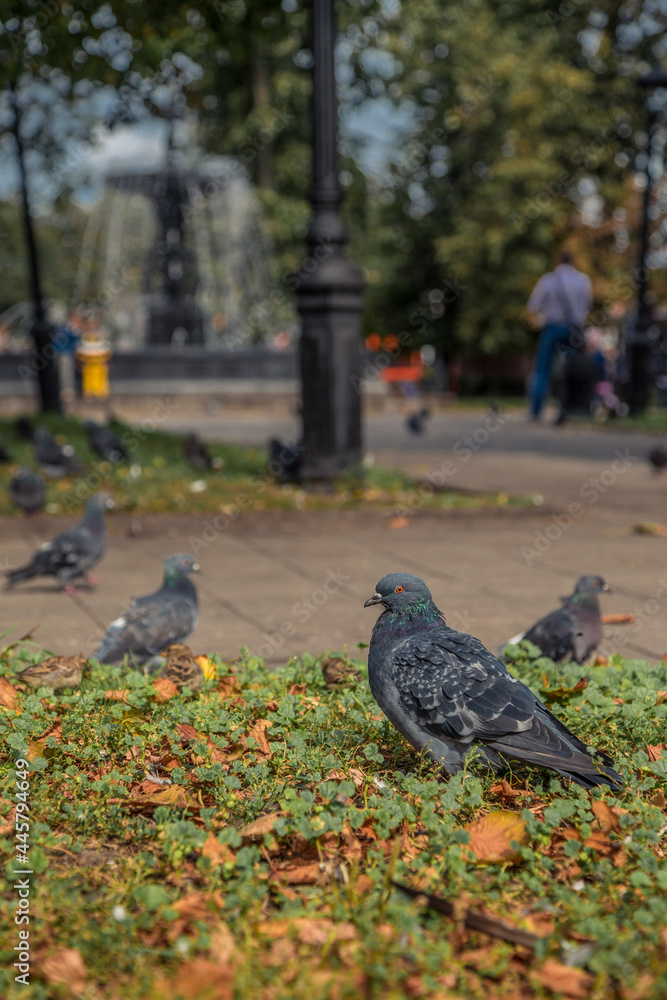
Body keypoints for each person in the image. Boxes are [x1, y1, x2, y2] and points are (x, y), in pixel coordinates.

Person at [526, 251, 593, 420]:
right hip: (573, 330)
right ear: (573, 262)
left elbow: (533, 307)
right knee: (573, 369)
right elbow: (587, 306)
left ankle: (536, 411)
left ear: (557, 262)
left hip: (552, 328)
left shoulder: (548, 280)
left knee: (542, 370)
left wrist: (537, 321)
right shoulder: (583, 280)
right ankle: (568, 408)